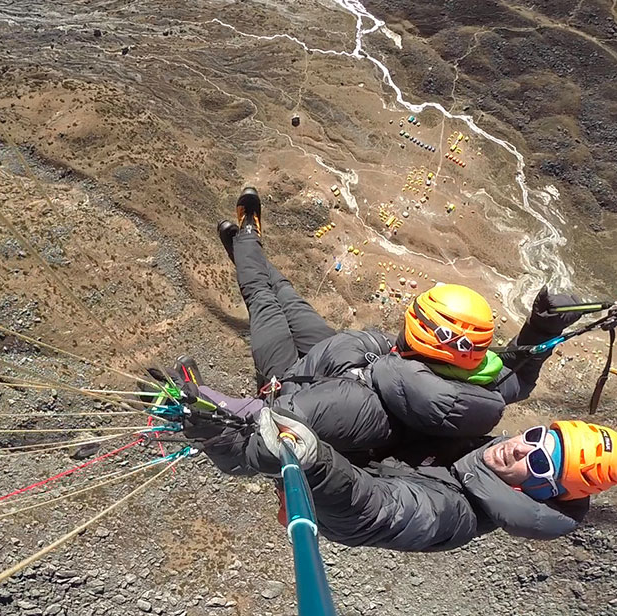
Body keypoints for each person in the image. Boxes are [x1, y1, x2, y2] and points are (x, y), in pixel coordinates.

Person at [199, 186, 585, 472]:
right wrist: (540, 330)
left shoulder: (354, 409)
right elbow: (517, 373)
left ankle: (247, 238)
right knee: (285, 296)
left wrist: (193, 402)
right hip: (343, 357)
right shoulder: (479, 382)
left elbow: (262, 423)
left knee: (265, 298)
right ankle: (246, 250)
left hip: (291, 377)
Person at [235, 408, 617, 551]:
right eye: (536, 437)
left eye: (541, 463)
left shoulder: (454, 515)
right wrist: (540, 331)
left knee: (239, 442)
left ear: (540, 492)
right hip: (362, 462)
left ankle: (197, 424)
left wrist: (317, 464)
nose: (521, 448)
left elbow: (379, 507)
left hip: (329, 491)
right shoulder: (481, 458)